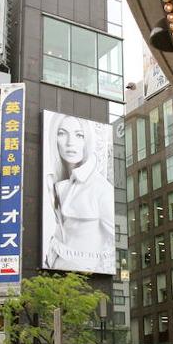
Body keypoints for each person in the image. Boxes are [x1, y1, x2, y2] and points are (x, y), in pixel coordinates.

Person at [43, 114, 114, 272]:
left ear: (86, 140)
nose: (70, 143)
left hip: (84, 280)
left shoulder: (101, 189)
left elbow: (118, 240)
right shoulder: (53, 184)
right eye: (62, 133)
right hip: (52, 275)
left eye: (79, 135)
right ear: (54, 138)